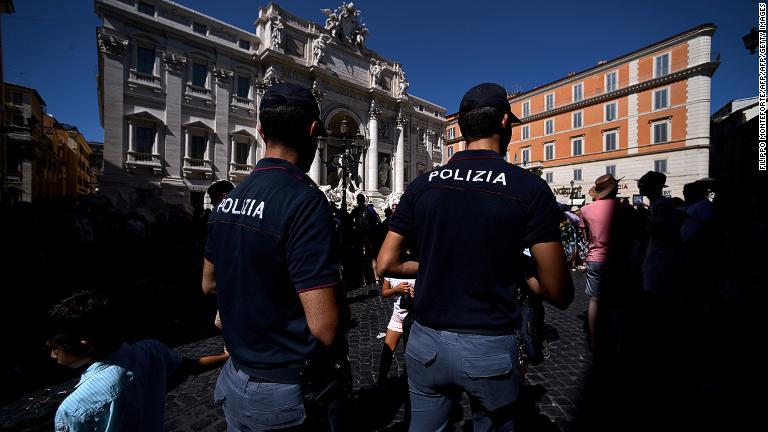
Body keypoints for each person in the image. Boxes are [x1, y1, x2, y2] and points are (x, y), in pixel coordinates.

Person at [377, 83, 574, 431]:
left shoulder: (422, 185)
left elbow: (386, 263)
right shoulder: (528, 188)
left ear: (463, 128)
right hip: (489, 345)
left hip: (426, 342)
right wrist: (515, 266)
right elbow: (558, 290)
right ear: (503, 121)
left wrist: (437, 262)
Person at [203, 82, 348, 431]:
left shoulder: (228, 202)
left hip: (235, 376)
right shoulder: (305, 201)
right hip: (284, 390)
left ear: (261, 130)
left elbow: (208, 285)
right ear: (314, 131)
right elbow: (325, 327)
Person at [49, 291, 228, 432]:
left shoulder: (73, 408)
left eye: (55, 348)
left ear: (85, 346)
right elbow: (193, 366)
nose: (53, 355)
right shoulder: (151, 351)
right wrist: (226, 357)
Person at [579, 174, 632, 356]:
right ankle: (619, 342)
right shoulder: (625, 209)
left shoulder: (585, 210)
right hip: (618, 257)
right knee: (618, 301)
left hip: (594, 258)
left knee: (595, 300)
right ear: (615, 189)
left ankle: (594, 340)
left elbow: (586, 238)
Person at [377, 273, 415, 384]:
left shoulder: (417, 268)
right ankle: (381, 382)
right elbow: (384, 293)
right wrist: (397, 289)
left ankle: (413, 384)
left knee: (412, 354)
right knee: (387, 351)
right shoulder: (391, 271)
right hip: (397, 318)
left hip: (415, 319)